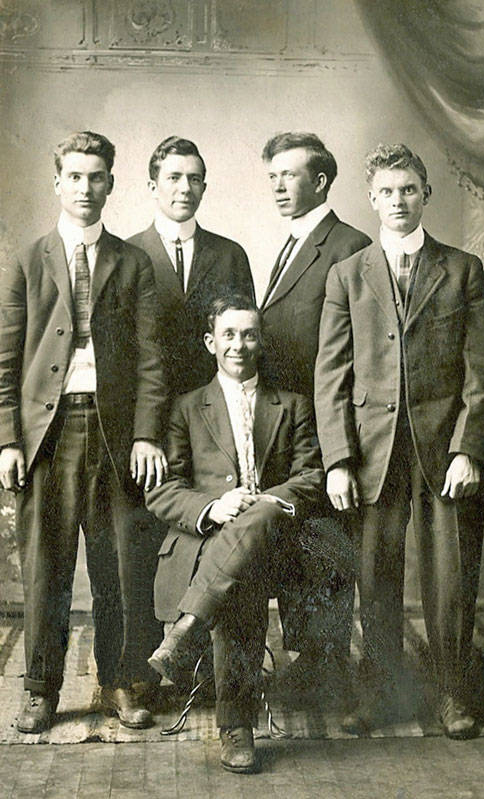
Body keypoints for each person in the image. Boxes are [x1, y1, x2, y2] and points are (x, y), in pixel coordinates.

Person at [315, 143, 484, 738]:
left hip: (445, 450)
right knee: (375, 575)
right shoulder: (348, 274)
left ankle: (453, 695)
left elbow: (483, 371)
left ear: (426, 195)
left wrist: (470, 450)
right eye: (387, 192)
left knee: (451, 577)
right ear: (371, 199)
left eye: (409, 190)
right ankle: (382, 693)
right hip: (371, 452)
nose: (398, 201)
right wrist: (339, 460)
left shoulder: (463, 269)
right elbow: (331, 375)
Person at [0, 131, 168, 733]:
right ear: (57, 183)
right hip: (47, 434)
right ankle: (41, 687)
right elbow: (5, 358)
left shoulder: (132, 262)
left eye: (96, 177)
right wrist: (7, 440)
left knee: (120, 567)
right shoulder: (28, 259)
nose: (86, 188)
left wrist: (147, 435)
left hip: (115, 434)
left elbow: (152, 360)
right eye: (75, 176)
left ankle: (120, 679)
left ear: (112, 184)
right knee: (46, 567)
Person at [145, 295, 324, 773]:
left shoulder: (292, 405)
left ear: (261, 341)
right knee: (241, 570)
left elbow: (310, 476)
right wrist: (213, 506)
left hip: (278, 538)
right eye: (229, 335)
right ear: (211, 342)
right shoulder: (186, 408)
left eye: (248, 334)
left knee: (257, 529)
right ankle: (236, 724)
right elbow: (162, 490)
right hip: (207, 539)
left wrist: (260, 503)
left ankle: (190, 629)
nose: (239, 345)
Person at [260, 132, 371, 686]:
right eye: (273, 176)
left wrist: (339, 445)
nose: (278, 186)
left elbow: (357, 353)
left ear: (321, 180)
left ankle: (326, 665)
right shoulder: (289, 243)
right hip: (288, 424)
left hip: (329, 423)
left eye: (290, 175)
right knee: (297, 543)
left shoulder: (349, 245)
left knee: (325, 543)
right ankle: (310, 660)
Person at [128, 136, 255, 395]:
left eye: (194, 179)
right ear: (153, 187)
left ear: (204, 188)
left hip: (215, 406)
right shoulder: (126, 255)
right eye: (174, 178)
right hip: (147, 405)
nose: (185, 188)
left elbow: (248, 336)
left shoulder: (230, 255)